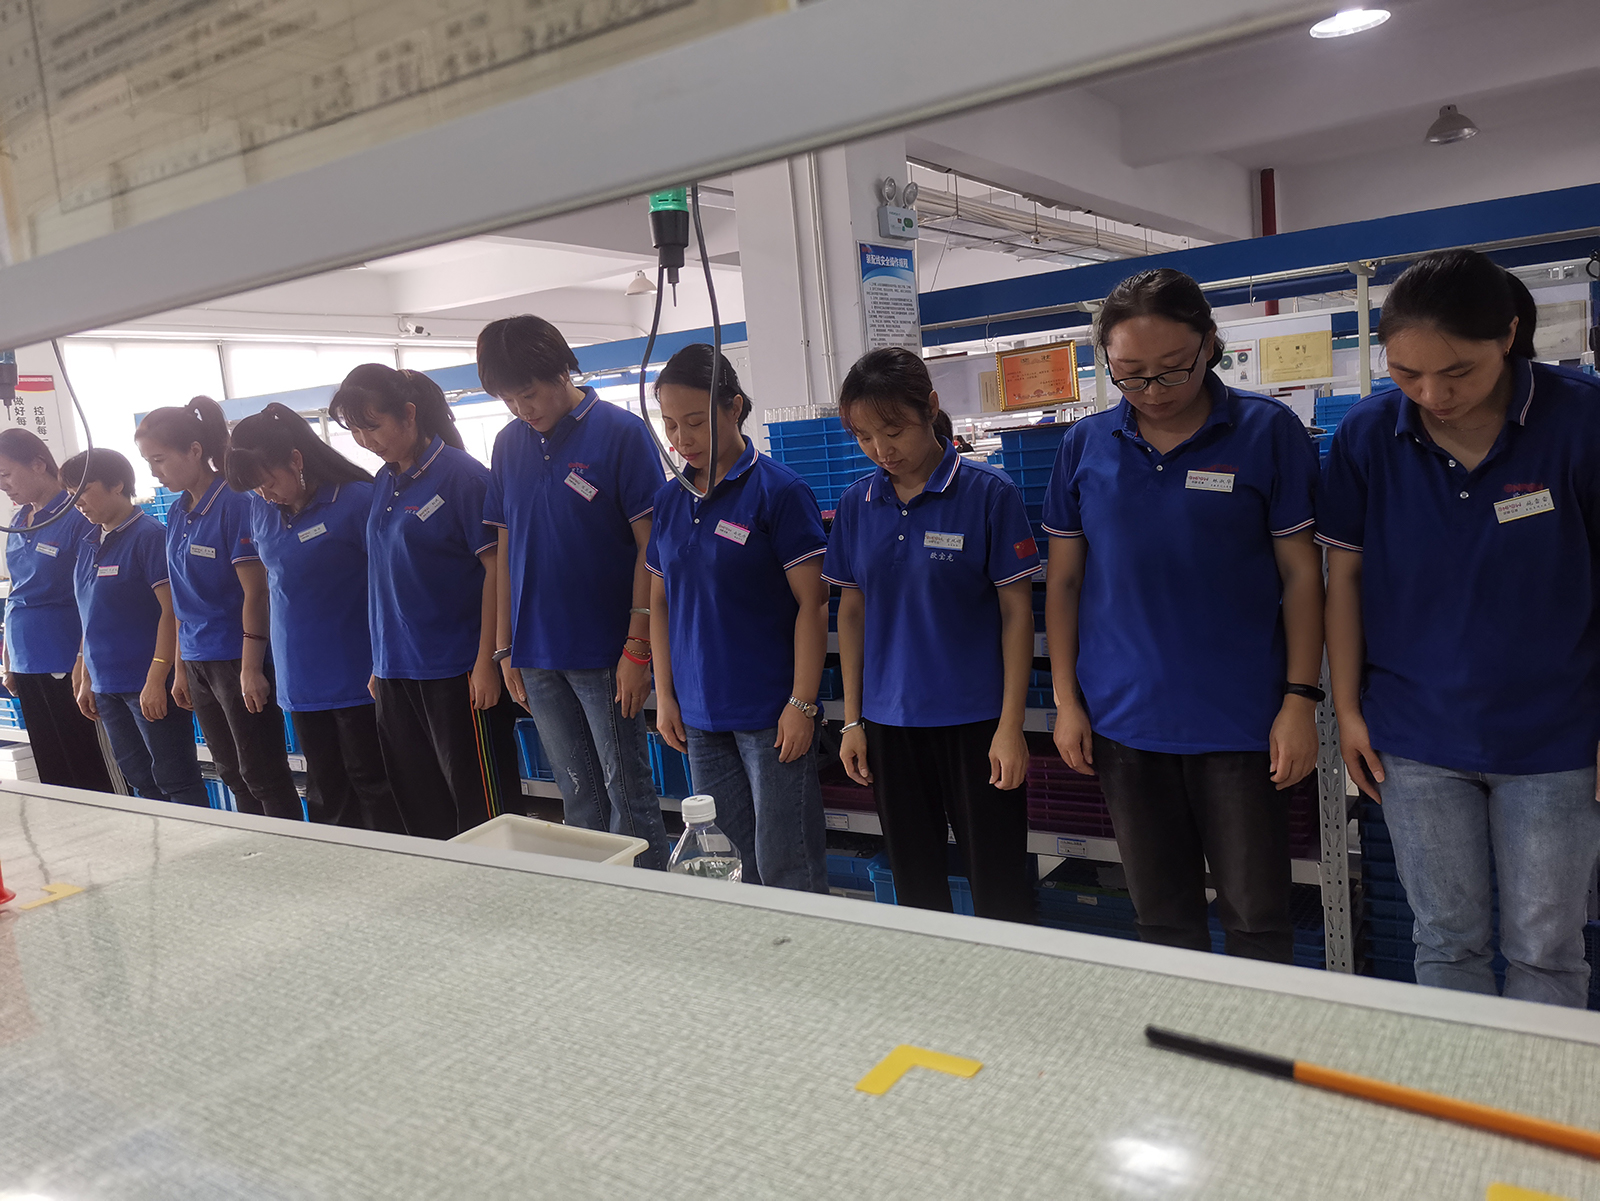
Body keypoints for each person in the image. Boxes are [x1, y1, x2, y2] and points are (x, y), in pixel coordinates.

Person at [1320, 248, 1600, 1007]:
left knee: (1546, 948)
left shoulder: (1581, 418)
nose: (1432, 395)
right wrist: (1346, 710)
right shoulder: (1369, 434)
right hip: (1415, 737)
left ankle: (1537, 1084)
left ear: (1507, 335)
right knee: (1445, 939)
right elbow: (1344, 579)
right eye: (1406, 373)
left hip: (1556, 738)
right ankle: (1458, 1081)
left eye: (1458, 372)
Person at [1043, 268, 1323, 964]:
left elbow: (1302, 575)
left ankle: (1257, 1033)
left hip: (1242, 722)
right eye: (1129, 374)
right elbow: (1065, 582)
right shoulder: (1085, 445)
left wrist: (1300, 699)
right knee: (1161, 919)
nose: (1152, 390)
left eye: (1173, 368)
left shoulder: (1267, 431)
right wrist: (1066, 701)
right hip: (1124, 720)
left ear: (1210, 344)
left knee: (1256, 917)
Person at [822, 347, 1037, 923]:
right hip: (890, 725)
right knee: (914, 885)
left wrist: (1011, 726)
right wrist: (852, 720)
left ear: (931, 408)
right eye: (864, 437)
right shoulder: (857, 503)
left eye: (894, 430)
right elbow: (851, 612)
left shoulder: (989, 493)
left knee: (998, 884)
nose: (881, 449)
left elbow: (1018, 613)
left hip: (976, 723)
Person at [479, 315, 671, 869]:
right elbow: (506, 547)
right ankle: (594, 900)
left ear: (562, 370)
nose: (522, 408)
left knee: (627, 792)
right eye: (508, 399)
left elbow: (651, 547)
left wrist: (638, 645)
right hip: (536, 653)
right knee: (577, 791)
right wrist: (505, 646)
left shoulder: (620, 432)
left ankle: (649, 901)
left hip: (605, 650)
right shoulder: (508, 445)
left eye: (529, 393)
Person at [647, 345, 830, 891]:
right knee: (725, 864)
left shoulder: (780, 492)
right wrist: (666, 696)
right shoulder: (670, 500)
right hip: (700, 716)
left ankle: (802, 945)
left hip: (771, 714)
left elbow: (814, 603)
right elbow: (660, 602)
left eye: (695, 421)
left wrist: (802, 702)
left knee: (785, 861)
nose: (682, 439)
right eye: (670, 425)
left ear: (734, 407)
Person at [329, 363, 521, 838]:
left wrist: (488, 661)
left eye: (373, 426)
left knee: (481, 808)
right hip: (396, 673)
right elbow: (384, 576)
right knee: (420, 804)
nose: (366, 440)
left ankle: (500, 884)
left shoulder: (463, 478)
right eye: (355, 431)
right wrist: (380, 664)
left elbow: (497, 572)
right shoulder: (384, 480)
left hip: (457, 672)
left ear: (409, 414)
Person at [225, 403, 403, 833]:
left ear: (296, 460)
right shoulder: (261, 508)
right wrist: (252, 666)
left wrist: (385, 661)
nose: (265, 494)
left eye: (269, 481)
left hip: (361, 674)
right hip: (300, 678)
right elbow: (267, 588)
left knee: (374, 783)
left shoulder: (356, 500)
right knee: (324, 789)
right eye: (256, 488)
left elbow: (392, 586)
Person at [135, 397, 302, 821]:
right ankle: (255, 849)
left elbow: (256, 592)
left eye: (159, 460)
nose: (154, 472)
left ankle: (289, 849)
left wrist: (251, 668)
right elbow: (179, 599)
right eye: (148, 462)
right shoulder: (178, 512)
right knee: (231, 772)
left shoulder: (236, 503)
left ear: (194, 450)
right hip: (198, 660)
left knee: (262, 772)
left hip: (236, 657)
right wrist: (180, 667)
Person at [62, 449, 208, 807]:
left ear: (117, 485)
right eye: (70, 494)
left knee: (176, 779)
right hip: (106, 684)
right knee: (139, 779)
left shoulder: (149, 536)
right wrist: (84, 672)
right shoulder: (88, 542)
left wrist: (157, 677)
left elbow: (172, 611)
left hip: (146, 681)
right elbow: (89, 611)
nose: (78, 502)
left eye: (84, 490)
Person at [0, 429, 112, 792]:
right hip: (25, 656)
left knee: (86, 765)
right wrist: (9, 656)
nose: (3, 485)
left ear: (38, 464)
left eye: (6, 474)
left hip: (66, 655)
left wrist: (83, 658)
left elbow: (94, 594)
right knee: (52, 768)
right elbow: (17, 588)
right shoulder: (19, 519)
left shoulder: (76, 515)